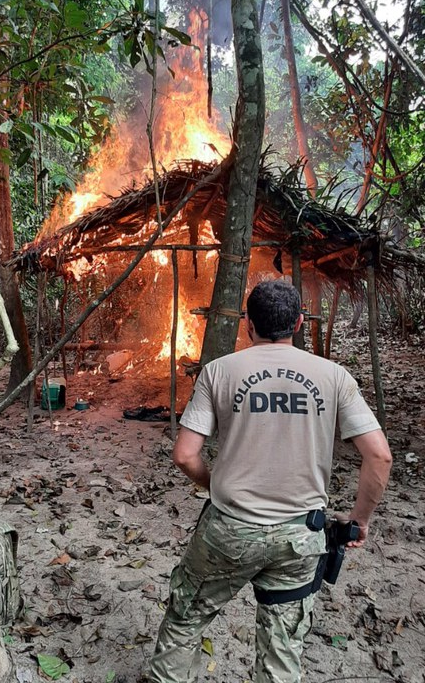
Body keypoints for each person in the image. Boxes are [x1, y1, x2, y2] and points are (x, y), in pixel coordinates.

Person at [146, 279, 392, 683]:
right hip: (300, 537)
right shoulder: (333, 376)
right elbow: (379, 455)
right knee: (282, 649)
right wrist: (359, 518)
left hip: (227, 532)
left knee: (186, 620)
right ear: (298, 323)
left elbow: (185, 454)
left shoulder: (219, 371)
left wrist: (215, 486)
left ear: (248, 324)